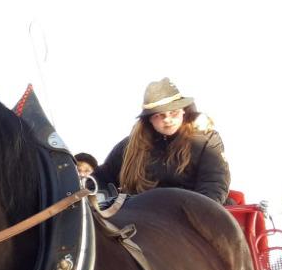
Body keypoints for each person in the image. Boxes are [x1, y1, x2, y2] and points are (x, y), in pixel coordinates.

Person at [95, 78, 230, 203]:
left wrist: (195, 214)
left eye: (173, 112)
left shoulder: (205, 140)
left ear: (183, 111)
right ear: (149, 119)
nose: (167, 120)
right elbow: (100, 179)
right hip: (142, 213)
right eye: (159, 115)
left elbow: (214, 185)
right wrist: (104, 202)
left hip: (190, 211)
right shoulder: (130, 146)